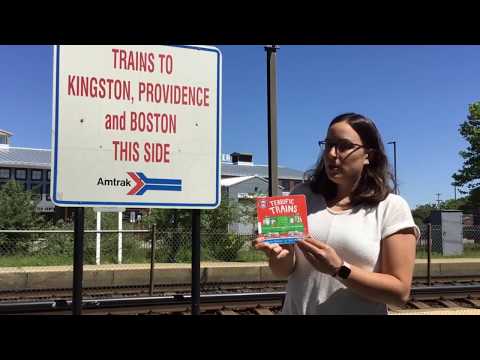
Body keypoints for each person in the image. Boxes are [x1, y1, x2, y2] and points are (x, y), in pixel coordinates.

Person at [254, 113, 419, 315]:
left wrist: (339, 269)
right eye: (329, 145)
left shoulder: (391, 207)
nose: (332, 153)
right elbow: (283, 272)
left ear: (370, 155)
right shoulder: (301, 196)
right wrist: (279, 256)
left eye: (344, 146)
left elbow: (399, 294)